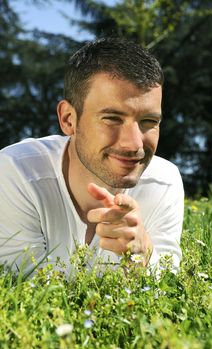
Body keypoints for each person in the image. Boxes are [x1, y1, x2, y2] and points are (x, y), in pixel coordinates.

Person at [0, 38, 184, 276]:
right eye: (112, 118)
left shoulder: (164, 182)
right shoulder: (16, 173)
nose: (134, 144)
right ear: (68, 119)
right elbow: (18, 288)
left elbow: (171, 291)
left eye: (149, 122)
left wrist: (143, 257)